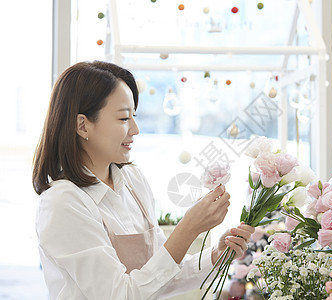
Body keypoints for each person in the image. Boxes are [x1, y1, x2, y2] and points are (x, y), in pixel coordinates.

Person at [32, 61, 255, 299]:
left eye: (134, 116)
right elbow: (121, 294)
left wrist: (216, 254)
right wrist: (187, 230)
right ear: (82, 125)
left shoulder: (133, 180)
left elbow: (160, 276)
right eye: (123, 118)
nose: (135, 129)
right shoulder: (63, 203)